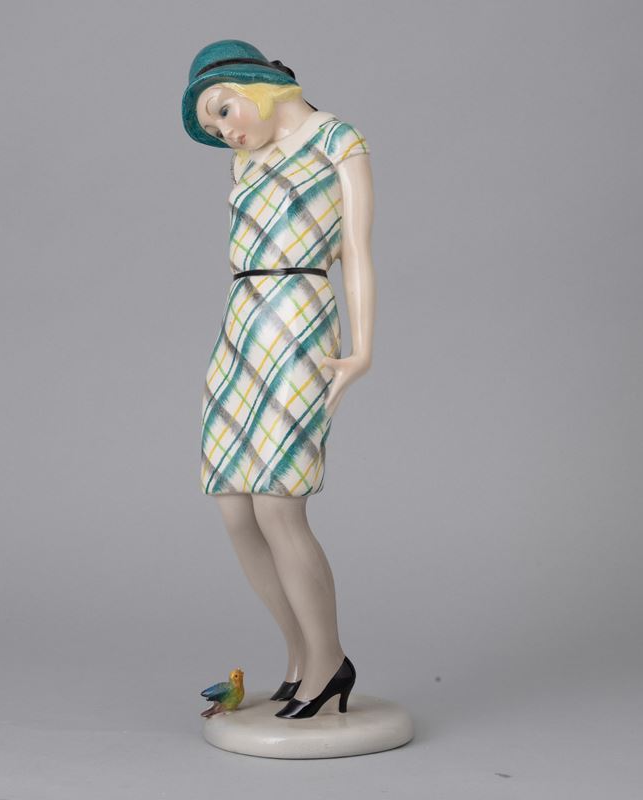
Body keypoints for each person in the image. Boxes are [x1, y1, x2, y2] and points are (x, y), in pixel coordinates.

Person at [182, 39, 376, 719]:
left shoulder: (338, 140)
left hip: (299, 316)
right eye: (213, 130)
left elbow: (357, 252)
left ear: (254, 85)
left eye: (223, 110)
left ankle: (329, 660)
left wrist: (361, 349)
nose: (225, 132)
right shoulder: (246, 159)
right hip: (241, 322)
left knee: (277, 502)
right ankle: (300, 657)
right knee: (233, 503)